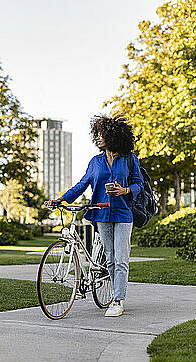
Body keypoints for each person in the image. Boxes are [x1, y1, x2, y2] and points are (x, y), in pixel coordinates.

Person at [45, 115, 144, 317]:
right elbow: (82, 185)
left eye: (102, 135)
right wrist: (61, 199)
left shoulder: (129, 159)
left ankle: (118, 300)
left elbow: (139, 184)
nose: (98, 139)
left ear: (114, 136)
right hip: (100, 213)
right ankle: (112, 294)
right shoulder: (96, 162)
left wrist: (125, 191)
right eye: (97, 135)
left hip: (124, 214)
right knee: (110, 258)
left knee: (121, 259)